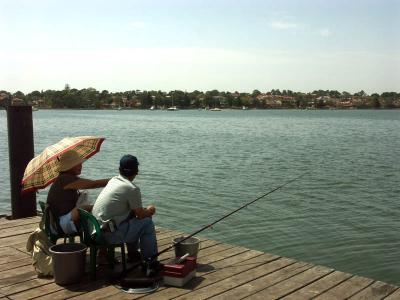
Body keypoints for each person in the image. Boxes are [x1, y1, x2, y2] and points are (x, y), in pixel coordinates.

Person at [92, 154, 158, 264]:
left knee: (132, 218)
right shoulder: (132, 188)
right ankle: (150, 261)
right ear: (137, 171)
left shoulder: (113, 180)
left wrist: (141, 212)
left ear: (119, 169)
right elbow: (141, 215)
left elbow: (134, 213)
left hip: (95, 232)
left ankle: (133, 254)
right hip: (107, 236)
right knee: (147, 223)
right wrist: (150, 210)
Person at [46, 150, 110, 234]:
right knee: (87, 209)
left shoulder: (64, 178)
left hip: (59, 222)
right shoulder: (65, 179)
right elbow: (93, 184)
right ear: (70, 166)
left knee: (89, 207)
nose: (81, 166)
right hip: (61, 224)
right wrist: (114, 181)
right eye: (78, 164)